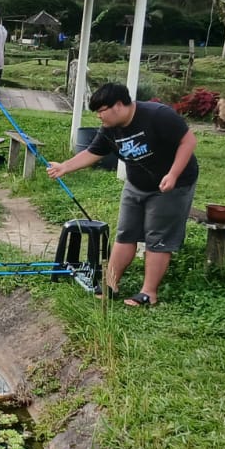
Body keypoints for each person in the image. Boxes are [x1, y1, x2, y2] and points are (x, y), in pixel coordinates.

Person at [46, 83, 198, 307]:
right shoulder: (110, 128)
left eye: (101, 111)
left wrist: (173, 174)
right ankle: (110, 284)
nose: (99, 117)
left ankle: (148, 294)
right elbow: (93, 152)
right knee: (125, 234)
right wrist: (65, 167)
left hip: (172, 185)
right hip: (136, 184)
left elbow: (188, 141)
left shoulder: (157, 115)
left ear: (118, 105)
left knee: (158, 239)